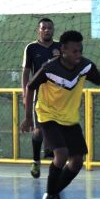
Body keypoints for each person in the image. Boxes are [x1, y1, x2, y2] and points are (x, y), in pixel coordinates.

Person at [20, 30, 100, 199]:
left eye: (80, 50)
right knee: (62, 154)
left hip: (69, 118)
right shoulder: (49, 68)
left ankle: (54, 191)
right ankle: (49, 196)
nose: (78, 54)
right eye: (74, 51)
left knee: (77, 161)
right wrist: (27, 117)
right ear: (63, 49)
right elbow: (30, 86)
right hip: (48, 116)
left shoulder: (85, 67)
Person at [22, 18, 61, 179]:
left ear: (53, 30)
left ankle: (56, 165)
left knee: (58, 131)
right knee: (38, 130)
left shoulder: (60, 47)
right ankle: (36, 160)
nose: (46, 30)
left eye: (49, 28)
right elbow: (25, 72)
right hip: (39, 94)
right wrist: (25, 93)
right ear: (38, 30)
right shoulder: (31, 48)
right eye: (43, 28)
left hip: (59, 95)